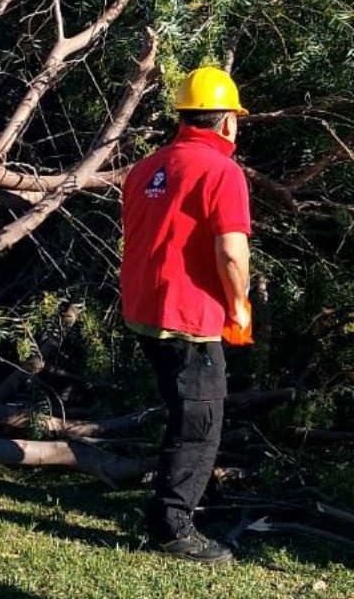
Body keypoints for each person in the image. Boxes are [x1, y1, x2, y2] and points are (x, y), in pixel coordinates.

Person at [120, 67, 252, 564]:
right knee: (200, 419)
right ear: (225, 123)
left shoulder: (147, 166)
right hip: (189, 318)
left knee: (184, 410)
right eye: (237, 119)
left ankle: (181, 499)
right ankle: (173, 525)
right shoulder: (222, 172)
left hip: (144, 311)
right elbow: (232, 254)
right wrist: (238, 308)